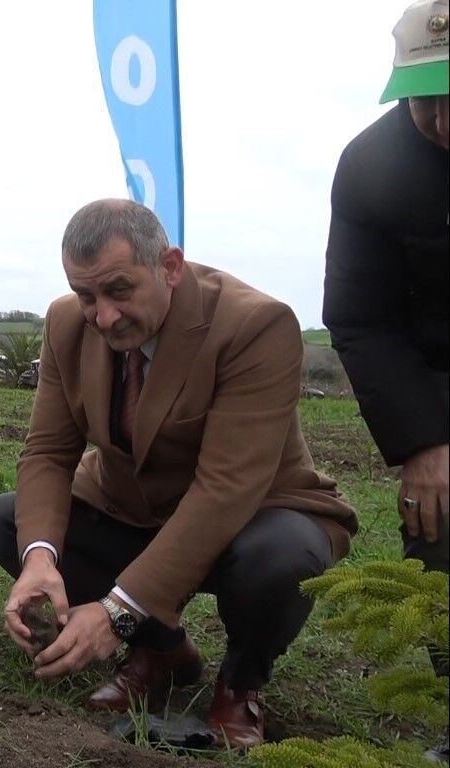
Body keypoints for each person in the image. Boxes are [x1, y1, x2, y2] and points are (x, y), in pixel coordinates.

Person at [0, 199, 358, 749]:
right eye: (87, 296)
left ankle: (239, 684)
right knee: (6, 520)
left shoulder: (256, 325)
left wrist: (114, 613)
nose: (103, 316)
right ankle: (161, 652)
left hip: (251, 515)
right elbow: (47, 452)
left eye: (119, 290)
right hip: (130, 507)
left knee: (283, 557)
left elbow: (226, 487)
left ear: (170, 267)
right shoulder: (66, 324)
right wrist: (39, 560)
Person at [323, 1, 448, 759]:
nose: (440, 118)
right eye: (424, 96)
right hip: (429, 379)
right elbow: (361, 318)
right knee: (437, 524)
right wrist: (424, 442)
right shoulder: (371, 165)